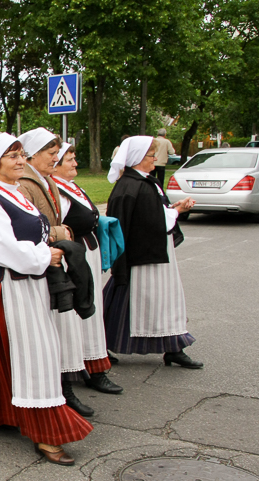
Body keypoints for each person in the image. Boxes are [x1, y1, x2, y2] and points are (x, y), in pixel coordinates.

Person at [0, 134, 93, 466]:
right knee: (35, 355)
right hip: (8, 286)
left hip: (30, 282)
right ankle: (47, 432)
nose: (20, 160)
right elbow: (2, 250)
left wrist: (47, 253)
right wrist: (47, 254)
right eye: (12, 156)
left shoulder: (15, 193)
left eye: (21, 155)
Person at [103, 136, 201, 369]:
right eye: (150, 155)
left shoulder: (148, 182)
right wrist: (176, 212)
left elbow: (155, 214)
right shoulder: (129, 186)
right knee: (128, 299)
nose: (155, 158)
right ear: (137, 158)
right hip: (141, 256)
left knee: (166, 301)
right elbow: (135, 224)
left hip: (157, 252)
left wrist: (174, 210)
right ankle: (101, 347)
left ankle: (174, 347)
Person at [17, 127, 91, 416]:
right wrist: (59, 232)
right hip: (40, 264)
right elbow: (29, 228)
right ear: (33, 155)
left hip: (52, 260)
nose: (55, 159)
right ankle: (60, 390)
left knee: (61, 329)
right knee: (51, 331)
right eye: (51, 154)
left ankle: (64, 387)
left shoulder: (46, 181)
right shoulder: (26, 184)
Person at [50, 143, 123, 396]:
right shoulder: (56, 192)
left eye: (74, 158)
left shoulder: (73, 188)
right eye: (69, 160)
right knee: (80, 310)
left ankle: (93, 358)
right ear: (56, 165)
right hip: (73, 258)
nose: (75, 163)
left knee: (92, 305)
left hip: (87, 252)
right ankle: (89, 367)